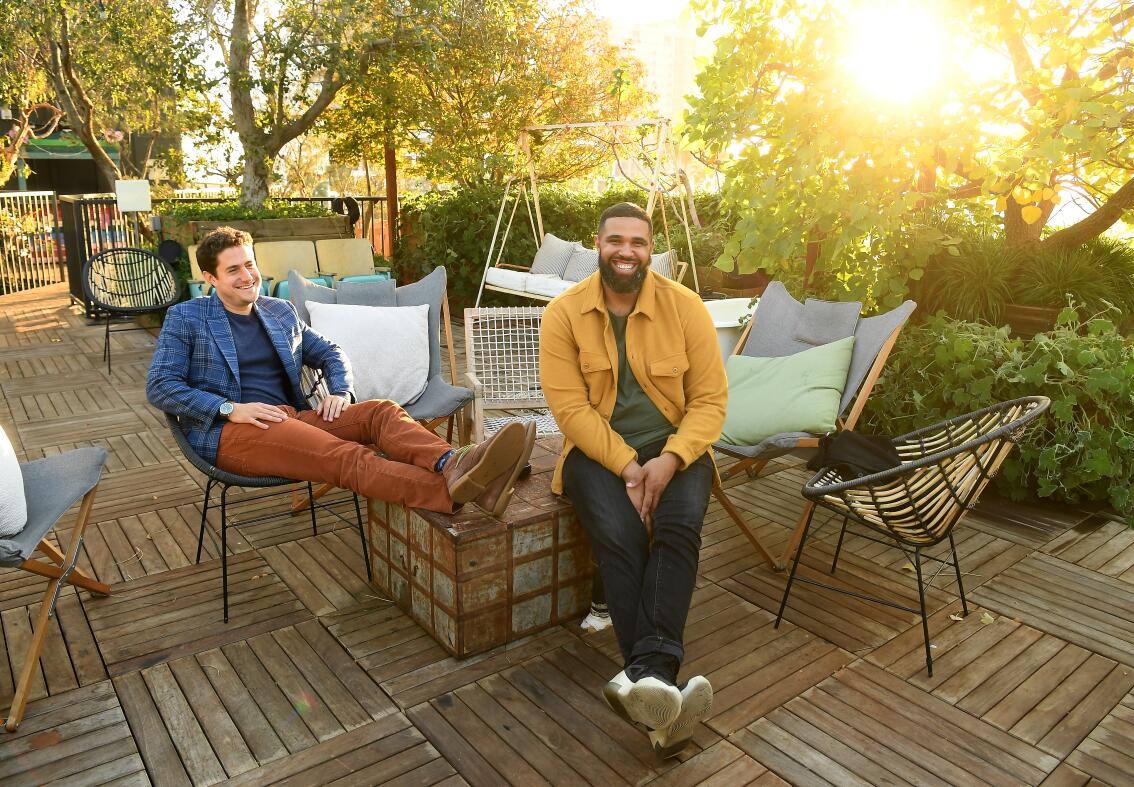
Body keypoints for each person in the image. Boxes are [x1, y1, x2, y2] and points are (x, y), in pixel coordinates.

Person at [147, 226, 534, 518]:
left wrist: (341, 392)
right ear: (211, 279)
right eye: (233, 270)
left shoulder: (278, 312)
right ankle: (461, 492)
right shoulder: (187, 317)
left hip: (294, 418)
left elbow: (330, 351)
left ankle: (455, 465)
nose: (247, 275)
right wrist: (231, 408)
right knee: (347, 457)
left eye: (250, 264)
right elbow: (161, 386)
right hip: (234, 432)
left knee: (379, 411)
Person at [539, 203, 727, 757]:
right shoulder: (565, 313)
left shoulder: (684, 308)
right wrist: (627, 465)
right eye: (615, 240)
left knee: (678, 528)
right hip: (597, 451)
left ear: (652, 251)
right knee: (619, 536)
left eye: (638, 242)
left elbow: (711, 403)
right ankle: (661, 683)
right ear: (597, 245)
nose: (626, 251)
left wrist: (668, 460)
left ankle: (646, 677)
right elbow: (570, 409)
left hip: (677, 448)